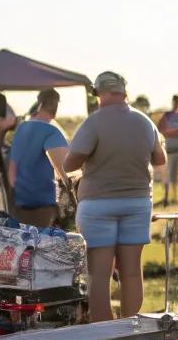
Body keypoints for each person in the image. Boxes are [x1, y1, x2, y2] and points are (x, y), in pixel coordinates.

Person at [62, 71, 166, 322]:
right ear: (124, 92)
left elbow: (69, 164)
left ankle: (103, 330)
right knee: (131, 271)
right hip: (137, 202)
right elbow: (160, 158)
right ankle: (132, 329)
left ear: (100, 93)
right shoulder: (144, 122)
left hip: (98, 204)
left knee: (100, 273)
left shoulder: (94, 122)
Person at [8, 88, 68, 228]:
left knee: (24, 244)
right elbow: (65, 168)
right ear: (55, 107)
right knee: (41, 244)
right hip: (43, 201)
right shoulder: (51, 131)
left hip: (20, 200)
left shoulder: (21, 128)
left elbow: (12, 170)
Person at [156, 94, 178, 206]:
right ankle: (166, 196)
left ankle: (174, 196)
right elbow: (161, 129)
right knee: (168, 172)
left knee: (175, 172)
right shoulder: (167, 115)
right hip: (169, 148)